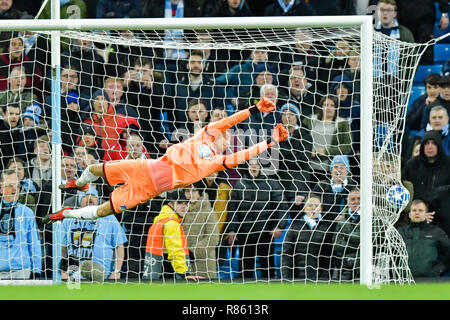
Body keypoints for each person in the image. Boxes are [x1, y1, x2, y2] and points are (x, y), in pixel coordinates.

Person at [43, 98, 289, 224]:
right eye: (226, 136)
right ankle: (81, 183)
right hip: (146, 167)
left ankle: (67, 214)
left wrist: (270, 142)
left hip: (152, 188)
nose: (227, 138)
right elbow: (228, 122)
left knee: (104, 211)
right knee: (95, 168)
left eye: (229, 139)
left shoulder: (217, 161)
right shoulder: (205, 134)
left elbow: (244, 155)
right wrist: (255, 109)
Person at [224, 157, 289, 279]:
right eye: (251, 164)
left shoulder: (272, 184)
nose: (253, 166)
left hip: (266, 234)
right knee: (245, 271)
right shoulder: (239, 185)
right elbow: (233, 209)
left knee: (267, 270)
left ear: (261, 167)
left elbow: (282, 206)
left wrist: (280, 226)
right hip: (245, 235)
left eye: (256, 164)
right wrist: (232, 230)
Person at [60, 190, 127, 282]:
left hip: (103, 276)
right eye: (85, 196)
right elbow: (62, 249)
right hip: (74, 276)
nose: (89, 198)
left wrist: (116, 271)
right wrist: (63, 271)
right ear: (79, 200)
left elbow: (119, 246)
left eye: (93, 196)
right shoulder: (69, 220)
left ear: (98, 200)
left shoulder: (109, 218)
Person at [142, 189, 201, 281]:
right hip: (169, 273)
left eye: (186, 203)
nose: (184, 206)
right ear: (170, 204)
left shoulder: (159, 221)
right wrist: (183, 273)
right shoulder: (172, 224)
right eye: (179, 203)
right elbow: (175, 251)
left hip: (154, 273)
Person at [402, 130, 450, 236]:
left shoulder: (448, 164)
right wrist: (422, 211)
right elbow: (405, 192)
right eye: (427, 143)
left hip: (444, 218)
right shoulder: (412, 165)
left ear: (439, 145)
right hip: (417, 216)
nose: (430, 147)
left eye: (433, 143)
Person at [0, 169, 42, 280]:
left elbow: (34, 242)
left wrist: (36, 270)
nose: (15, 189)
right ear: (1, 188)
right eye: (10, 185)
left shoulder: (27, 212)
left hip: (21, 271)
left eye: (17, 186)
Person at [302, 95, 352, 183]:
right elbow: (300, 139)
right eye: (326, 105)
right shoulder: (309, 120)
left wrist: (326, 151)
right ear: (321, 106)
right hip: (308, 167)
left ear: (336, 108)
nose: (328, 108)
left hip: (330, 169)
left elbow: (347, 147)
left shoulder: (342, 124)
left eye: (332, 105)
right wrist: (308, 149)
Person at [397, 199, 450, 278]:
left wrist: (441, 268)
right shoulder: (400, 232)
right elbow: (389, 252)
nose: (417, 213)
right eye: (414, 210)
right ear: (409, 214)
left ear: (426, 214)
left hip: (430, 281)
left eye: (421, 210)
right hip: (404, 281)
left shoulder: (436, 232)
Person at [280, 194, 328, 282]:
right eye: (310, 205)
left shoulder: (327, 228)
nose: (313, 208)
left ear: (321, 209)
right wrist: (287, 278)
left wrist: (324, 277)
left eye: (317, 206)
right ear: (304, 208)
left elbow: (328, 256)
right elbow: (286, 255)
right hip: (298, 278)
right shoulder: (295, 228)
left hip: (320, 278)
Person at [182, 184, 220, 280]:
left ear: (200, 192)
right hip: (183, 262)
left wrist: (194, 252)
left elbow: (213, 238)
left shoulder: (208, 211)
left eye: (194, 190)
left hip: (204, 263)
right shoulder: (181, 211)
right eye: (187, 191)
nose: (190, 194)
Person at [395, 0, 449, 65]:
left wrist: (444, 13)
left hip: (425, 18)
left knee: (426, 54)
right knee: (406, 56)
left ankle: (427, 74)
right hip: (404, 19)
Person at [331, 187, 361, 281]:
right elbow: (336, 244)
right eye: (353, 199)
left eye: (359, 199)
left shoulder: (373, 219)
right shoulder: (341, 221)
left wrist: (347, 237)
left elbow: (372, 241)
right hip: (345, 266)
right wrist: (358, 245)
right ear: (348, 203)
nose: (356, 202)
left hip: (367, 266)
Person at [0, 102, 26, 171]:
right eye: (11, 114)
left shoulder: (22, 131)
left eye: (17, 114)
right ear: (4, 115)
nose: (14, 116)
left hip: (17, 169)